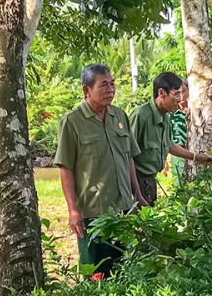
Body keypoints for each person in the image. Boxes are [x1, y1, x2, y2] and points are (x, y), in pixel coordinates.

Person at [55, 64, 148, 276]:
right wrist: (73, 210)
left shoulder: (119, 116)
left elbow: (128, 158)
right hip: (92, 213)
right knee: (96, 273)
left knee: (123, 271)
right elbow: (66, 168)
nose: (111, 90)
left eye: (113, 84)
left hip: (122, 210)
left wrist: (137, 195)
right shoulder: (72, 121)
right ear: (86, 90)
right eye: (104, 85)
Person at [131, 72, 212, 205]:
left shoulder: (166, 117)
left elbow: (169, 145)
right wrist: (135, 193)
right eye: (176, 94)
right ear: (162, 93)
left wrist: (198, 157)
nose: (180, 99)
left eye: (181, 94)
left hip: (150, 181)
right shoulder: (141, 116)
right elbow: (126, 154)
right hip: (136, 182)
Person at [166, 81, 190, 187]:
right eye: (178, 93)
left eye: (184, 91)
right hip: (177, 152)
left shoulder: (195, 110)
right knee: (179, 183)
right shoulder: (170, 113)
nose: (181, 95)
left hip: (193, 150)